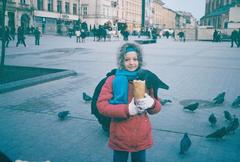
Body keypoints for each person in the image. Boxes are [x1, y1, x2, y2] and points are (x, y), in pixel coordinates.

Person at [97, 42, 161, 162]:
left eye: (135, 59)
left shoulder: (145, 78)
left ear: (139, 60)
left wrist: (151, 103)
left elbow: (157, 107)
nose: (131, 63)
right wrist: (127, 110)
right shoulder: (112, 80)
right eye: (127, 60)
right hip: (120, 136)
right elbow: (101, 106)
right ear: (122, 61)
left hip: (141, 136)